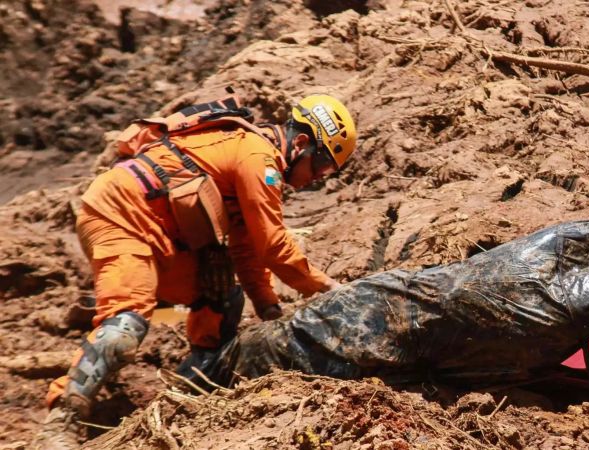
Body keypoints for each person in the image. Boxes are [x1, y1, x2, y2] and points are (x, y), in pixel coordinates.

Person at [33, 93, 357, 449]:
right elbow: (273, 246)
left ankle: (188, 388)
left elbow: (247, 249)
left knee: (220, 297)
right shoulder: (258, 157)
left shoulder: (255, 155)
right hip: (120, 215)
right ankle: (61, 422)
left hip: (164, 236)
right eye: (321, 167)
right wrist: (327, 288)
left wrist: (269, 309)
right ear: (300, 143)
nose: (317, 179)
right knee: (125, 325)